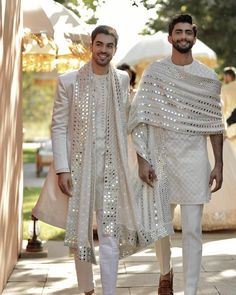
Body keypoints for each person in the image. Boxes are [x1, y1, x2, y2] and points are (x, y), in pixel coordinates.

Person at [38, 25, 173, 295]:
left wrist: (143, 159)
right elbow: (59, 127)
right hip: (78, 169)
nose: (104, 50)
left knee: (110, 233)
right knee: (81, 234)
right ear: (92, 45)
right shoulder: (68, 81)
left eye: (109, 46)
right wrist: (62, 169)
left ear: (115, 48)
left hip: (112, 169)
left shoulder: (122, 80)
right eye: (99, 44)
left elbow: (129, 123)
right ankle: (88, 290)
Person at [128, 14, 224, 295]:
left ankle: (190, 290)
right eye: (178, 32)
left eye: (188, 32)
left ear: (194, 36)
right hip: (160, 158)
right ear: (170, 37)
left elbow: (215, 124)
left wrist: (219, 164)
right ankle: (165, 272)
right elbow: (140, 117)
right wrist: (143, 159)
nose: (183, 37)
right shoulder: (155, 73)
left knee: (193, 230)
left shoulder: (207, 78)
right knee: (162, 227)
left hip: (194, 160)